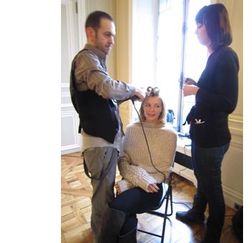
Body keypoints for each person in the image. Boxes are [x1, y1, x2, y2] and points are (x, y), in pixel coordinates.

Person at [69, 10, 144, 241]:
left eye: (113, 35)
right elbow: (109, 88)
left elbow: (106, 97)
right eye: (107, 34)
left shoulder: (96, 62)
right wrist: (132, 88)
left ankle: (98, 230)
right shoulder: (87, 59)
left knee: (101, 194)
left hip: (103, 144)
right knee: (104, 198)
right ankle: (104, 237)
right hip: (100, 145)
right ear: (90, 32)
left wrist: (130, 95)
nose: (112, 40)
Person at [176, 3, 239, 243]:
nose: (196, 30)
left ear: (212, 25)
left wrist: (196, 90)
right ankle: (195, 213)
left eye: (199, 25)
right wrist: (198, 85)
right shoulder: (216, 55)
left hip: (213, 138)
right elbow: (215, 91)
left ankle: (212, 235)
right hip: (205, 134)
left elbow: (228, 102)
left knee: (213, 187)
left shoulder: (226, 56)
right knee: (203, 179)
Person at [97, 87, 177, 243]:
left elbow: (163, 172)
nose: (152, 109)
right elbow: (123, 161)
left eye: (156, 105)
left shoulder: (170, 134)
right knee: (125, 211)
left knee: (117, 206)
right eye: (147, 105)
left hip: (154, 187)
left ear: (162, 109)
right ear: (142, 107)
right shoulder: (132, 129)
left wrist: (131, 183)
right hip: (134, 182)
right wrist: (134, 181)